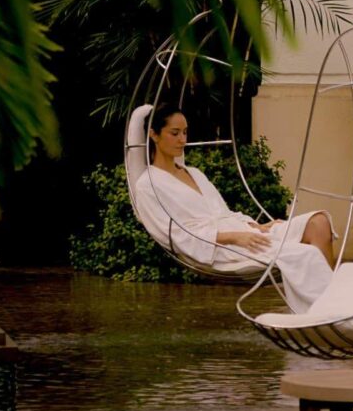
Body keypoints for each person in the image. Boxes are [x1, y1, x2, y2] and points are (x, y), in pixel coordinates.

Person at [138, 105, 335, 309]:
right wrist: (233, 237)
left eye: (185, 132)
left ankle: (327, 305)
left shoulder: (194, 173)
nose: (183, 140)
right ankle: (328, 310)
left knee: (319, 222)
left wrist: (256, 226)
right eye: (175, 133)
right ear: (154, 135)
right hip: (220, 246)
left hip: (244, 232)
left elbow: (223, 213)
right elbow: (175, 235)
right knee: (306, 255)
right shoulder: (148, 185)